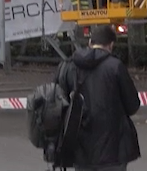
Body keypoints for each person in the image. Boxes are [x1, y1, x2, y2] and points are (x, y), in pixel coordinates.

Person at [59, 24, 141, 171]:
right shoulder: (115, 66)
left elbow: (59, 102)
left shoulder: (69, 66)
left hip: (80, 148)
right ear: (111, 45)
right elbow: (132, 105)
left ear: (90, 43)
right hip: (113, 149)